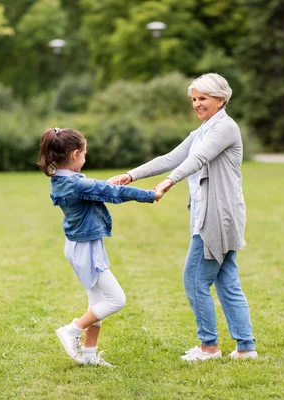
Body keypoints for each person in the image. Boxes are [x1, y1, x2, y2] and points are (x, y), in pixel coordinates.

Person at [109, 73, 257, 362]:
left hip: (217, 217)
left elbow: (197, 160)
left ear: (220, 99)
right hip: (215, 214)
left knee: (194, 279)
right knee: (227, 281)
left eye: (203, 98)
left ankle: (209, 347)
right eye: (194, 99)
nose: (197, 104)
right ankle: (245, 347)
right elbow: (171, 157)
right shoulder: (203, 130)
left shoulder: (224, 128)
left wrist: (169, 182)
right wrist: (131, 174)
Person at [38, 127, 159, 367]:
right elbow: (110, 193)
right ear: (74, 155)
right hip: (85, 248)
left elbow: (94, 187)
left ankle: (90, 357)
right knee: (116, 300)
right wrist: (149, 195)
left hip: (80, 244)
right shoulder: (76, 183)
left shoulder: (63, 179)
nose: (85, 158)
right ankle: (72, 330)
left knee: (97, 304)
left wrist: (108, 182)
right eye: (84, 154)